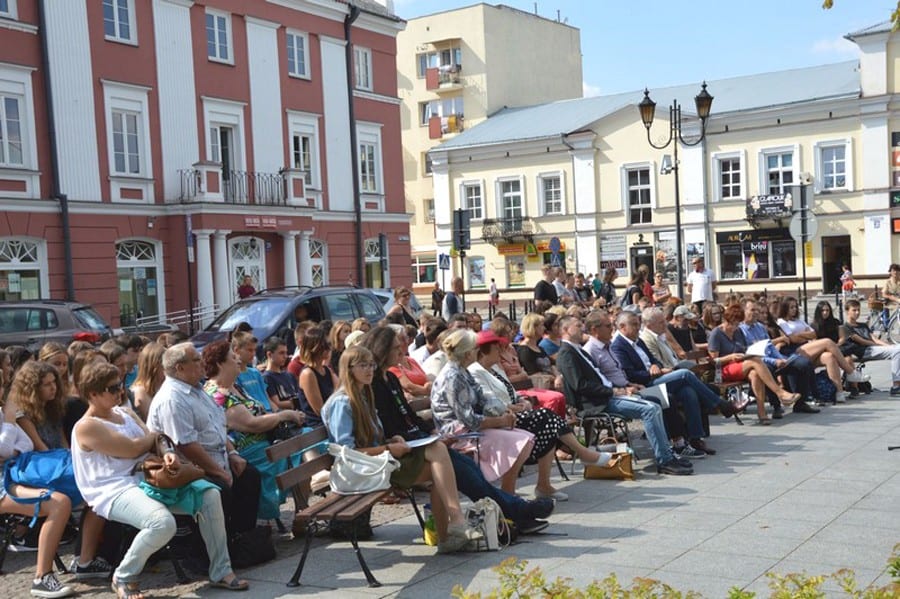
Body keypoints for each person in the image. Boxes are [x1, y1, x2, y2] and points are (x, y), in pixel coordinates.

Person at [72, 361, 247, 598]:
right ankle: (124, 575)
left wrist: (166, 453)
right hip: (113, 489)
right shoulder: (86, 427)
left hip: (148, 477)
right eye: (112, 388)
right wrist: (153, 438)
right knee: (162, 523)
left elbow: (156, 441)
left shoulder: (124, 413)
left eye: (120, 385)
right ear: (93, 394)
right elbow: (132, 449)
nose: (120, 391)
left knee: (209, 494)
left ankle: (221, 571)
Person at [321, 344, 482, 553]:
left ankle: (452, 529)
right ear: (348, 369)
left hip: (377, 463)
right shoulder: (342, 402)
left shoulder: (363, 395)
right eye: (363, 365)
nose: (369, 370)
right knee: (439, 463)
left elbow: (370, 439)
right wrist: (388, 448)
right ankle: (451, 529)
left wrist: (391, 440)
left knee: (438, 453)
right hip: (361, 471)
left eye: (371, 364)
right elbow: (346, 452)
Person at [469, 329, 611, 501]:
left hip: (514, 414)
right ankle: (581, 454)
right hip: (498, 420)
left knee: (548, 425)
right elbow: (488, 403)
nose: (501, 351)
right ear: (485, 350)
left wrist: (523, 401)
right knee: (546, 418)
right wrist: (513, 407)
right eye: (497, 347)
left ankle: (546, 484)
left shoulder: (495, 368)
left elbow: (511, 392)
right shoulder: (475, 371)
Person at [147, 342, 262, 540]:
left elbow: (217, 426)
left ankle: (241, 538)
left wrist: (232, 453)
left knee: (249, 476)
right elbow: (186, 446)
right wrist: (218, 472)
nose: (202, 363)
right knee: (220, 489)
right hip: (190, 469)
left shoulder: (197, 390)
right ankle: (219, 545)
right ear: (180, 368)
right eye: (196, 360)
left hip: (218, 457)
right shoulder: (172, 399)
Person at [555, 315, 692, 475]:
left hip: (610, 394)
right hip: (598, 403)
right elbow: (580, 385)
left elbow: (601, 378)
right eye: (578, 326)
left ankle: (671, 452)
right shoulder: (567, 353)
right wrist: (613, 391)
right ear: (566, 330)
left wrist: (623, 387)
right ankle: (665, 460)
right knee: (651, 409)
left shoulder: (577, 350)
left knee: (661, 400)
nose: (582, 328)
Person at [202, 340, 304, 521]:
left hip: (266, 443)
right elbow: (251, 424)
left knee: (306, 443)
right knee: (301, 452)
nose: (238, 360)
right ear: (220, 364)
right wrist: (284, 415)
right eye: (232, 357)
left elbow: (260, 411)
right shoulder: (216, 394)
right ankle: (302, 515)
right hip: (249, 451)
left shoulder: (234, 386)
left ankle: (303, 513)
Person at [430, 329, 535, 494]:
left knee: (526, 439)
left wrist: (504, 411)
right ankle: (507, 494)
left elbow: (483, 399)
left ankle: (508, 494)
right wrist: (501, 421)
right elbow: (469, 420)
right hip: (456, 433)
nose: (477, 351)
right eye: (475, 348)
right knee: (520, 442)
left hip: (469, 427)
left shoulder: (463, 371)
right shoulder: (453, 377)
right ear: (467, 354)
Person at [0, 389, 75, 598]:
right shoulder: (6, 415)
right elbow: (3, 449)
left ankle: (87, 559)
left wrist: (12, 450)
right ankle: (42, 577)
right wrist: (9, 422)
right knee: (59, 503)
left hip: (14, 475)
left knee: (83, 486)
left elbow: (26, 444)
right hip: (5, 484)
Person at [707, 304, 801, 424]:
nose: (735, 327)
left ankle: (762, 413)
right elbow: (714, 360)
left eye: (737, 324)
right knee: (756, 360)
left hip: (741, 364)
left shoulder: (738, 332)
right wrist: (731, 357)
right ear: (725, 320)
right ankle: (780, 393)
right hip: (724, 369)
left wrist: (747, 353)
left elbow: (744, 348)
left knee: (755, 374)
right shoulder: (716, 333)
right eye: (733, 324)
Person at [738, 298, 823, 413]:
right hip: (759, 362)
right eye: (753, 310)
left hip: (774, 357)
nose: (756, 313)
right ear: (743, 311)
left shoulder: (760, 327)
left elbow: (770, 346)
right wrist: (774, 361)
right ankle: (776, 406)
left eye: (757, 310)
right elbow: (751, 354)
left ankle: (801, 403)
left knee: (804, 363)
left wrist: (781, 358)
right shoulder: (740, 331)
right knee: (767, 369)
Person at [840, 299, 900, 395]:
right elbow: (862, 341)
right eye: (854, 310)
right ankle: (896, 386)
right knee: (897, 350)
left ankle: (897, 385)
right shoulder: (845, 327)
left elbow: (875, 339)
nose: (857, 312)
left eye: (858, 310)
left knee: (897, 349)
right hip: (862, 352)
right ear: (847, 311)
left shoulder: (863, 325)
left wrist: (889, 346)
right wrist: (884, 347)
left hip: (872, 349)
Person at [297, 327, 338, 429]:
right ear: (315, 348)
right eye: (325, 345)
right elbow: (320, 410)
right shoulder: (308, 374)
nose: (329, 349)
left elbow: (340, 392)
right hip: (318, 427)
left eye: (329, 345)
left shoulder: (327, 370)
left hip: (332, 420)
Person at [130, 342, 166, 421]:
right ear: (154, 366)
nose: (167, 368)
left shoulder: (165, 385)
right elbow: (152, 420)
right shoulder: (140, 391)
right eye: (164, 365)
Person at [262, 337, 300, 411]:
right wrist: (296, 402)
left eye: (286, 353)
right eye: (281, 353)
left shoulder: (289, 375)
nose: (285, 356)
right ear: (269, 354)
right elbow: (276, 403)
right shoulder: (267, 377)